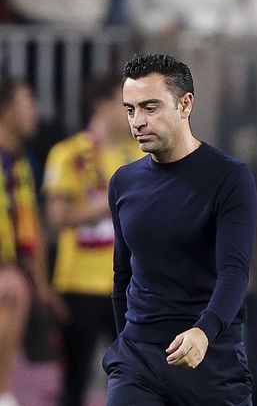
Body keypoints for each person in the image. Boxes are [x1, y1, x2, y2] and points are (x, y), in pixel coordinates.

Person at [105, 53, 257, 405]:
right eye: (130, 110)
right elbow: (121, 275)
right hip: (137, 361)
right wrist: (125, 343)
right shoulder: (123, 182)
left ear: (185, 104)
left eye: (150, 107)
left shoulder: (229, 178)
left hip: (211, 360)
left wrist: (204, 332)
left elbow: (234, 272)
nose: (138, 121)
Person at [43, 74, 143, 406]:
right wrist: (105, 203)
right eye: (125, 104)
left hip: (131, 285)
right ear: (102, 103)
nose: (134, 113)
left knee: (137, 377)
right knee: (75, 381)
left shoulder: (140, 156)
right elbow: (55, 219)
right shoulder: (68, 153)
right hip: (81, 282)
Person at [0, 77, 63, 406]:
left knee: (26, 290)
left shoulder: (20, 163)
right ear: (7, 110)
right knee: (12, 287)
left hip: (8, 265)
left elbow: (29, 232)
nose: (35, 113)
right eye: (29, 103)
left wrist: (43, 287)